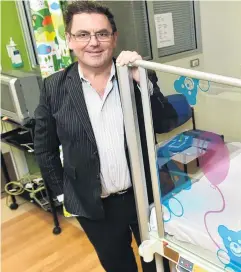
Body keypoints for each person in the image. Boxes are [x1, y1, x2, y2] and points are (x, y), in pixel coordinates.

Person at [33, 1, 176, 271]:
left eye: (102, 33)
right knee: (118, 266)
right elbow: (44, 149)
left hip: (144, 196)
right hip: (94, 206)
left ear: (114, 37)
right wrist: (65, 195)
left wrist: (141, 80)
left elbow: (165, 121)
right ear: (69, 40)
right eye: (83, 34)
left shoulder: (134, 74)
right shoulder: (54, 88)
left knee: (159, 265)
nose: (93, 43)